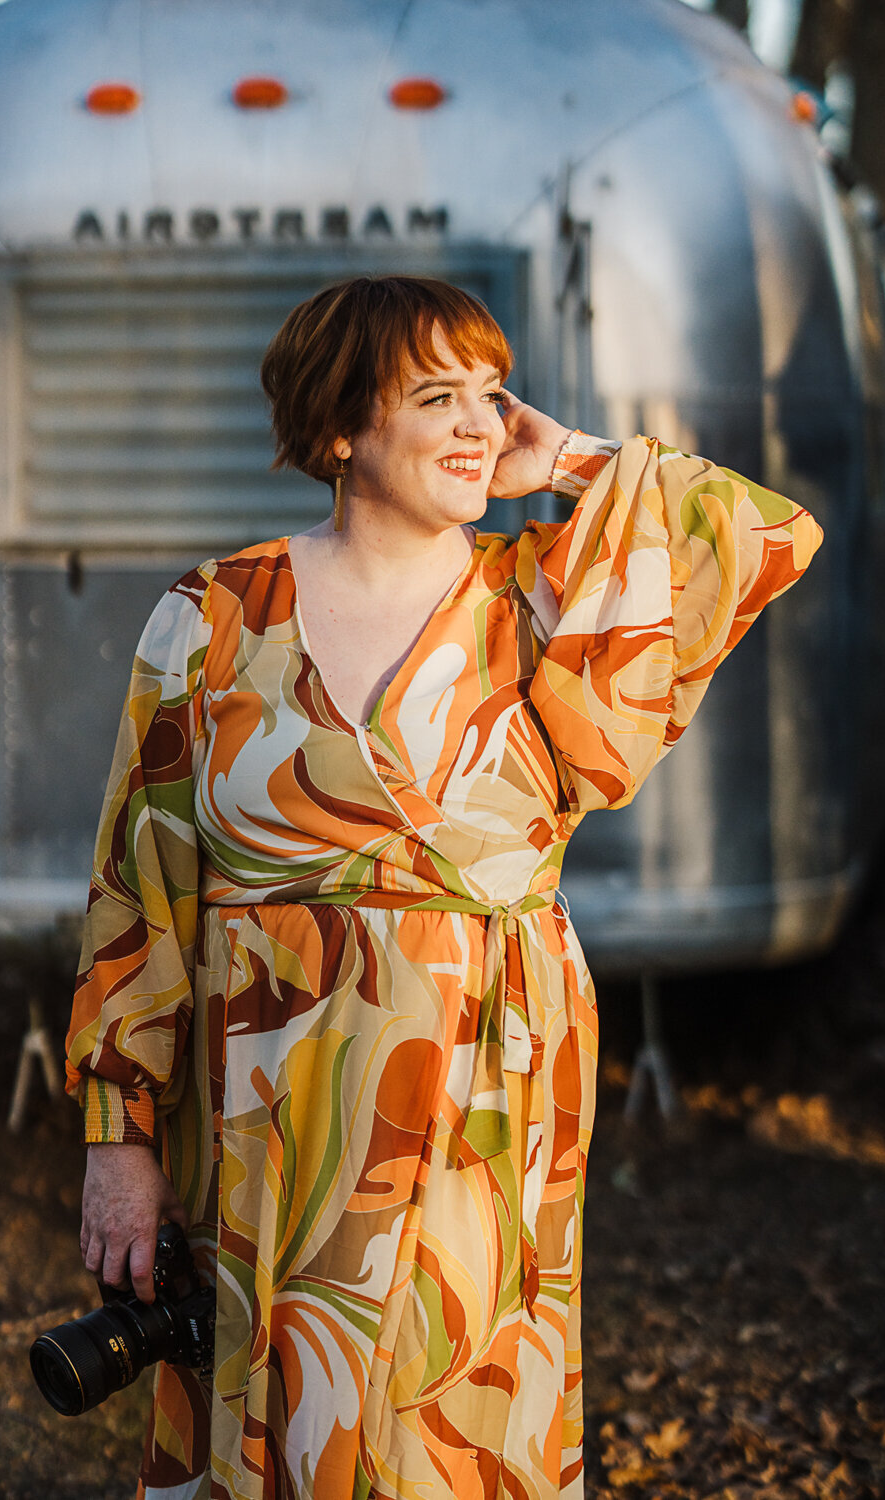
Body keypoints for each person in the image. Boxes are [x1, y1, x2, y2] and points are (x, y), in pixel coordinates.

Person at [65, 275, 822, 1500]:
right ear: (338, 431)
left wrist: (568, 459)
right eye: (436, 396)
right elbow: (134, 897)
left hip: (488, 1121)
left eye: (489, 392)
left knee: (459, 1441)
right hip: (274, 1123)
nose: (480, 422)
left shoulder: (542, 605)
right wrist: (120, 1143)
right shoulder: (208, 619)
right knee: (282, 1427)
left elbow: (764, 533)